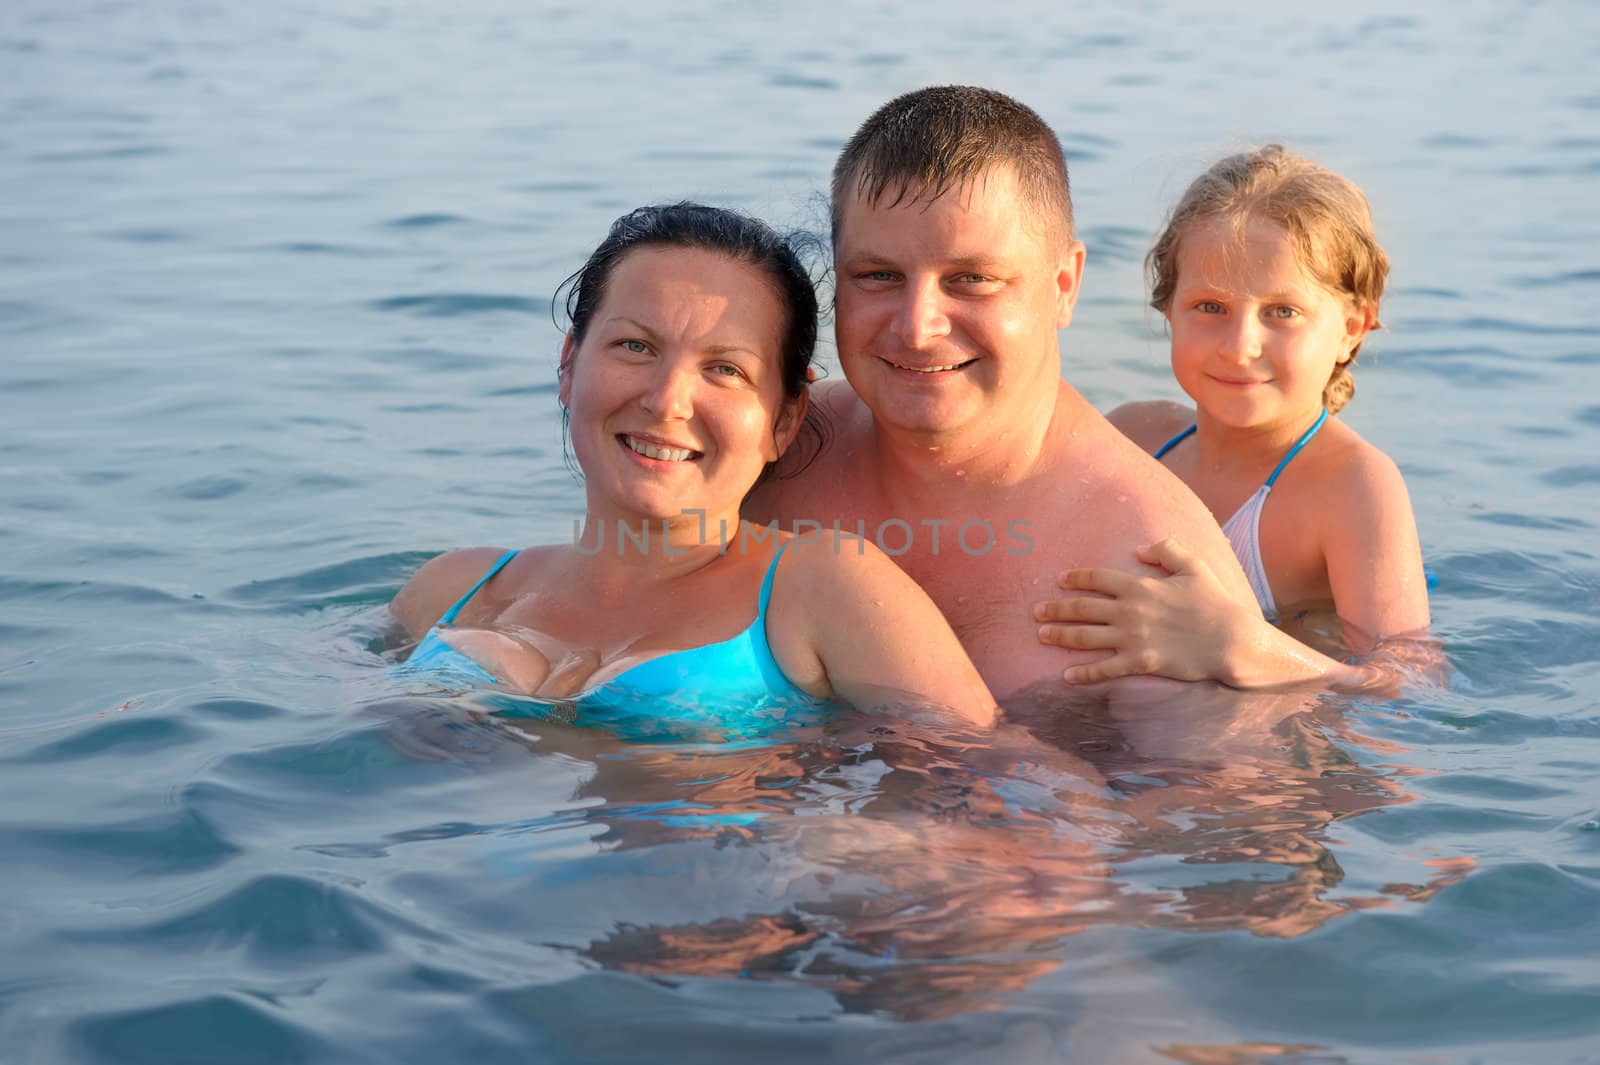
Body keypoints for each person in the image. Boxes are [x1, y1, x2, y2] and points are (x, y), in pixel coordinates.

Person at [389, 203, 996, 736]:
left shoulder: (822, 590)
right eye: (635, 347)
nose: (667, 399)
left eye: (725, 369)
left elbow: (998, 791)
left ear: (784, 420)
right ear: (570, 363)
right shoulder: (449, 589)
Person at [747, 85, 1272, 701]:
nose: (918, 327)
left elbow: (1221, 794)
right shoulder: (771, 457)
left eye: (971, 279)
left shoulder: (1147, 571)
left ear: (1064, 284)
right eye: (878, 276)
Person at [1034, 147, 1431, 688]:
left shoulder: (1351, 486)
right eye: (1211, 308)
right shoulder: (1135, 437)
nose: (1240, 346)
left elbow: (1409, 682)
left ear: (1351, 328)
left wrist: (1240, 645)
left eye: (1282, 313)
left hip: (1267, 751)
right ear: (1168, 308)